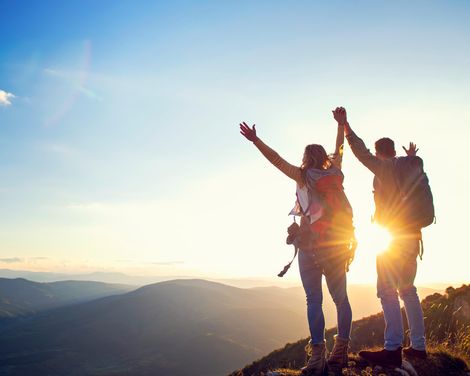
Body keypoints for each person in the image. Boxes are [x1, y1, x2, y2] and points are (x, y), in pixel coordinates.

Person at [239, 114, 355, 375]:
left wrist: (256, 140)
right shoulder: (335, 171)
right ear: (323, 156)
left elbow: (276, 159)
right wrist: (340, 125)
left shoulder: (301, 176)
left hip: (311, 246)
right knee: (341, 299)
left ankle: (317, 357)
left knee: (313, 299)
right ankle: (342, 350)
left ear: (305, 158)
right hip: (337, 244)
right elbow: (339, 149)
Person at [334, 107, 427, 367]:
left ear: (379, 153)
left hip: (391, 239)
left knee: (386, 290)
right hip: (412, 237)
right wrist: (410, 158)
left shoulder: (383, 168)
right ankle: (418, 347)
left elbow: (359, 152)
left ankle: (392, 348)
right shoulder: (408, 167)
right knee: (408, 291)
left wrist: (346, 126)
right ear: (395, 151)